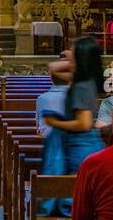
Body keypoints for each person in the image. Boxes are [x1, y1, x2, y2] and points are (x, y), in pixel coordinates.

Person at [41, 36, 103, 173]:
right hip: (85, 143)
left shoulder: (81, 86)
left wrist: (54, 122)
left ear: (80, 58)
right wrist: (74, 61)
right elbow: (53, 68)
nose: (69, 58)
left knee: (73, 187)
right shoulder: (88, 79)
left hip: (80, 146)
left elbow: (84, 124)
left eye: (73, 55)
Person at [35, 57, 72, 216]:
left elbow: (38, 126)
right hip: (72, 147)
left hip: (48, 145)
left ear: (51, 78)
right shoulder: (76, 98)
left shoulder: (42, 98)